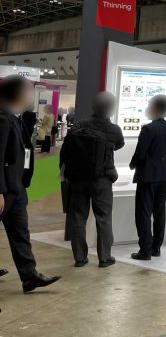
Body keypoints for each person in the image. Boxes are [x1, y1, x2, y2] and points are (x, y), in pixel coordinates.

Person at [0, 75, 61, 293]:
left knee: (20, 232)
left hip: (17, 188)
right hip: (5, 189)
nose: (31, 97)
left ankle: (29, 276)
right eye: (27, 92)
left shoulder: (15, 117)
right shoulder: (2, 119)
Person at [60, 92, 125, 268]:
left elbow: (66, 150)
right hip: (102, 180)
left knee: (78, 217)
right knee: (103, 218)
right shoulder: (114, 129)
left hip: (78, 179)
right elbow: (119, 144)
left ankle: (80, 258)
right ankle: (105, 258)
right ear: (111, 108)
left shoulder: (79, 125)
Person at [129, 94, 166, 261]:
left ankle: (145, 250)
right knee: (159, 211)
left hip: (147, 174)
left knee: (143, 213)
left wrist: (132, 164)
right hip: (163, 173)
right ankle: (156, 247)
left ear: (155, 107)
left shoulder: (148, 129)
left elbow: (140, 153)